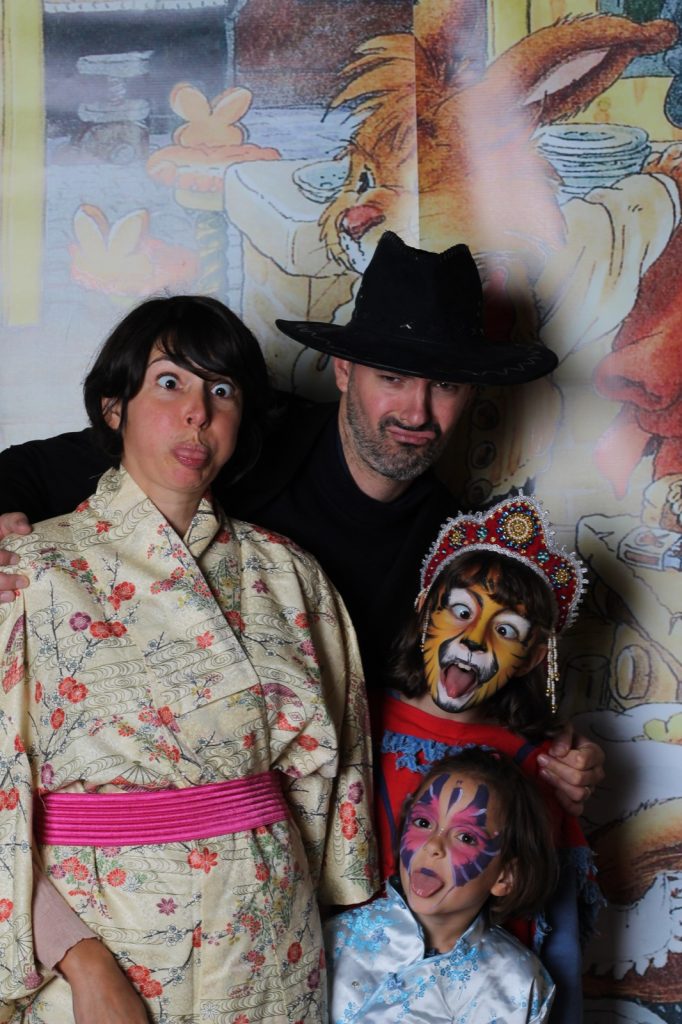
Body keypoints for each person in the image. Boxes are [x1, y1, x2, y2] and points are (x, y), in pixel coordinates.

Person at [0, 231, 603, 815]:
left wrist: (554, 752)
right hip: (132, 790)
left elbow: (461, 690)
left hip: (313, 816)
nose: (417, 411)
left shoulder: (452, 551)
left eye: (444, 384)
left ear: (471, 394)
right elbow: (37, 468)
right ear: (343, 370)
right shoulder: (236, 438)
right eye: (392, 377)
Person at [0, 296, 377, 1023]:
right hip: (96, 946)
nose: (198, 413)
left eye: (222, 390)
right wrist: (78, 958)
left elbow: (335, 796)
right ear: (115, 407)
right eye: (170, 382)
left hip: (270, 950)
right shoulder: (28, 571)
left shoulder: (292, 576)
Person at [377, 493, 602, 1023]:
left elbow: (556, 934)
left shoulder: (543, 763)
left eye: (505, 630)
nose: (474, 639)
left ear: (533, 657)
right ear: (425, 608)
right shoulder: (356, 719)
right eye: (460, 612)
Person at [325, 747, 557, 1023]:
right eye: (423, 822)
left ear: (505, 877)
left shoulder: (518, 983)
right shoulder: (336, 940)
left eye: (466, 837)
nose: (433, 844)